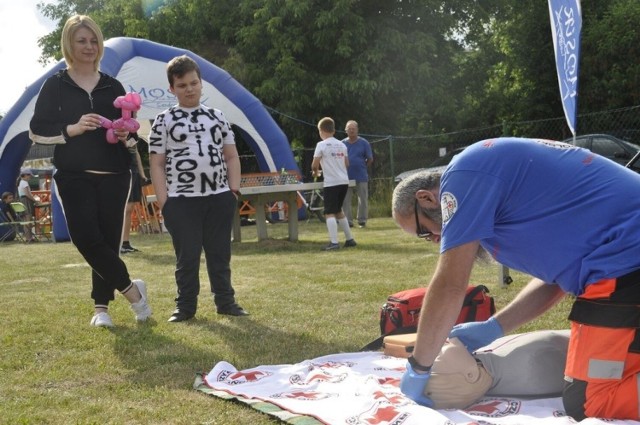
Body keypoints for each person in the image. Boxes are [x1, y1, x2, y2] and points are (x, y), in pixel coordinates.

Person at [391, 137, 640, 421]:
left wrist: (419, 367)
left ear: (426, 198)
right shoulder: (493, 188)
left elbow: (450, 285)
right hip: (624, 260)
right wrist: (495, 326)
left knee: (591, 400)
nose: (436, 240)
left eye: (425, 232)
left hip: (626, 260)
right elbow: (555, 279)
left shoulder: (463, 176)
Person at [29, 15, 151, 328]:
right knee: (85, 237)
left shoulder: (115, 85)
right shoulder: (56, 84)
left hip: (115, 174)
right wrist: (72, 128)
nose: (89, 46)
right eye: (81, 41)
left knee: (107, 242)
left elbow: (134, 131)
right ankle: (134, 294)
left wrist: (127, 136)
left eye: (93, 40)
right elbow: (37, 131)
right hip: (73, 175)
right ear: (69, 44)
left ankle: (101, 309)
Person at [148, 54, 248, 323]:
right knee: (187, 257)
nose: (189, 89)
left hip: (218, 197)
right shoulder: (163, 121)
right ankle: (185, 307)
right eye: (182, 85)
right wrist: (164, 201)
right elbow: (156, 164)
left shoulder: (217, 117)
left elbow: (231, 156)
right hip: (181, 200)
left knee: (219, 254)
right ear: (172, 89)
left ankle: (226, 302)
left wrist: (233, 190)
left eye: (194, 83)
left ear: (201, 83)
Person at [424, 330, 569, 409]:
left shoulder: (489, 367)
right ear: (470, 375)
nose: (440, 349)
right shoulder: (533, 361)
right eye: (437, 357)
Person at [311, 117, 356, 251]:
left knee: (329, 212)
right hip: (344, 181)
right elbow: (347, 163)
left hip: (331, 183)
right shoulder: (342, 145)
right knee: (338, 211)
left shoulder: (321, 145)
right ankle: (349, 239)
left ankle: (334, 242)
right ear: (333, 130)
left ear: (321, 131)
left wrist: (316, 172)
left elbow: (314, 164)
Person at [341, 120, 373, 228]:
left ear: (357, 130)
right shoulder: (342, 144)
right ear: (346, 130)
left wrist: (362, 167)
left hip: (361, 175)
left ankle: (362, 221)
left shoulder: (364, 143)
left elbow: (370, 159)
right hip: (345, 176)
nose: (351, 130)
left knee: (363, 199)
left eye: (353, 128)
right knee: (345, 199)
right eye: (349, 128)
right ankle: (348, 222)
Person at [121, 139, 149, 254]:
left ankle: (125, 243)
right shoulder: (116, 128)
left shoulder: (132, 132)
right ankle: (120, 242)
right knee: (125, 208)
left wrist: (142, 174)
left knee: (130, 207)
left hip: (134, 171)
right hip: (123, 171)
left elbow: (135, 152)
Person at [17, 168, 37, 242]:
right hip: (26, 201)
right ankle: (29, 238)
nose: (30, 177)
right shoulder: (24, 182)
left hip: (22, 200)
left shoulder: (20, 182)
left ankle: (28, 238)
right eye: (29, 175)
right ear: (24, 175)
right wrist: (35, 200)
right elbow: (27, 194)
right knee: (28, 220)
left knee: (26, 221)